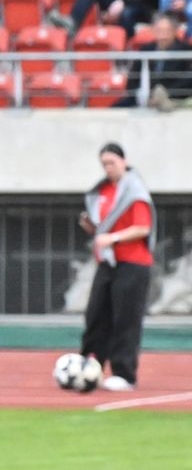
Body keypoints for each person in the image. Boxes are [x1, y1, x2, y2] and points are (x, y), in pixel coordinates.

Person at [77, 143, 153, 391]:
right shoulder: (103, 191)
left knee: (125, 319)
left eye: (112, 162)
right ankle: (91, 366)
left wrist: (113, 238)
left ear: (124, 161)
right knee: (96, 315)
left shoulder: (134, 190)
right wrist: (94, 228)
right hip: (107, 262)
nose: (108, 168)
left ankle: (124, 373)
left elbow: (142, 228)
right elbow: (105, 226)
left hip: (133, 263)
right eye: (104, 164)